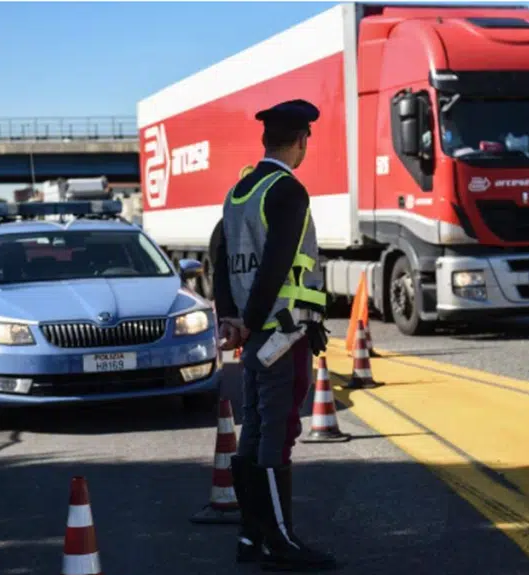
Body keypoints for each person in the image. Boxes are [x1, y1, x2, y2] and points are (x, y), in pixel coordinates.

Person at [211, 99, 336, 572]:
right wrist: (252, 319)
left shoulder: (239, 191)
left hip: (252, 334)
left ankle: (251, 536)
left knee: (256, 428)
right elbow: (277, 265)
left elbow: (220, 261)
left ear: (267, 140)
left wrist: (229, 317)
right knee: (277, 432)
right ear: (302, 140)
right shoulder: (288, 191)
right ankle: (281, 541)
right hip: (280, 334)